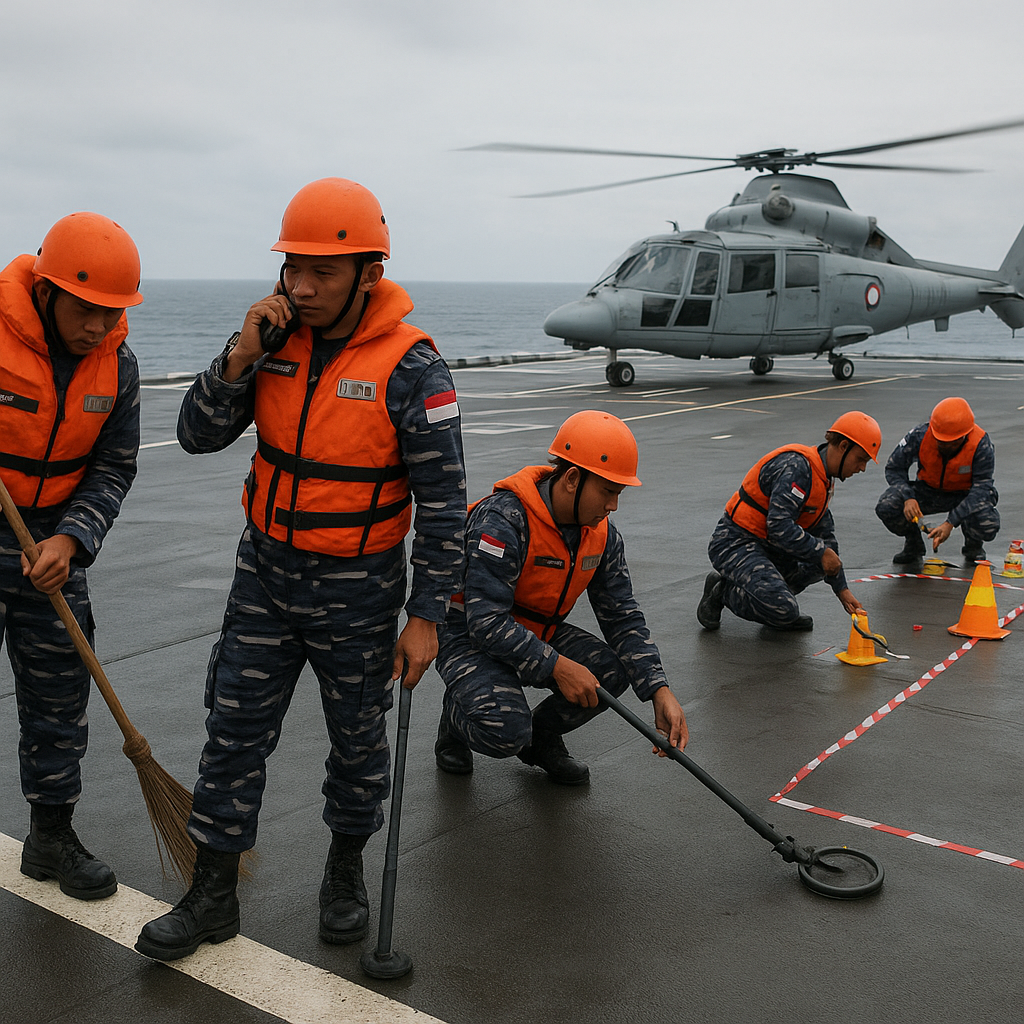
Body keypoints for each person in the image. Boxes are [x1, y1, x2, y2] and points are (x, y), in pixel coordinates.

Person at [135, 178, 467, 961]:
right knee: (233, 732)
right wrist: (240, 354)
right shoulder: (273, 340)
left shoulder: (414, 367)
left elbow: (445, 505)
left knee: (357, 740)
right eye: (294, 268)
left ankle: (344, 870)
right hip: (265, 576)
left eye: (323, 271)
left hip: (359, 589)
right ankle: (212, 892)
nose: (302, 286)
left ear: (369, 273)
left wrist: (426, 619)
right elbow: (195, 434)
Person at [0, 212, 143, 900]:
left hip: (50, 547)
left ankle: (51, 836)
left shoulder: (117, 364)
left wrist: (72, 537)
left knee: (60, 694)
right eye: (86, 310)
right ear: (48, 292)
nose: (97, 326)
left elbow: (114, 467)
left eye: (111, 313)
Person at [433, 411, 688, 786]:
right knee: (504, 731)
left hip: (537, 631)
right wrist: (558, 667)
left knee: (609, 673)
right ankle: (457, 719)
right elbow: (485, 622)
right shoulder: (503, 520)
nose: (613, 506)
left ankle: (540, 738)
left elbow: (622, 616)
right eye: (608, 492)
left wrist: (658, 689)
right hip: (470, 638)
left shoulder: (601, 535)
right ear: (572, 479)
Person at [697, 412, 882, 633]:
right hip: (736, 541)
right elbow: (778, 526)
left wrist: (841, 588)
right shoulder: (798, 468)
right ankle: (722, 592)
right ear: (843, 446)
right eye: (861, 459)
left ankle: (776, 605)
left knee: (819, 563)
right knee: (784, 608)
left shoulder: (823, 479)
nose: (862, 468)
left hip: (767, 548)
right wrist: (821, 553)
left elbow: (826, 538)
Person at [875, 397, 998, 565]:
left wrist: (950, 523)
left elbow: (982, 488)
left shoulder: (981, 444)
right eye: (940, 440)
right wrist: (908, 497)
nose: (943, 445)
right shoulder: (920, 435)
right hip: (928, 491)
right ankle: (914, 544)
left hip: (965, 494)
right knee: (887, 506)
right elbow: (894, 468)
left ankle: (973, 545)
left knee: (987, 523)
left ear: (964, 436)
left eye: (950, 442)